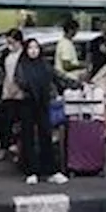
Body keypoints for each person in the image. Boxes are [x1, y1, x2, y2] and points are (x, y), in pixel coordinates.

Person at [14, 38, 69, 186]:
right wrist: (31, 89)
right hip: (27, 104)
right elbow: (20, 81)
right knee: (28, 137)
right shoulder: (22, 66)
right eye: (30, 48)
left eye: (36, 48)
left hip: (43, 104)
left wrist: (76, 84)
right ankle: (31, 171)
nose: (33, 51)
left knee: (46, 135)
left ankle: (51, 170)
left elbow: (58, 76)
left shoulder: (44, 65)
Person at [0, 28, 24, 162]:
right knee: (5, 122)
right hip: (6, 93)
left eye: (12, 42)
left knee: (20, 124)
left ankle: (19, 150)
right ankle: (4, 147)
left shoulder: (24, 55)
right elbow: (0, 71)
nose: (10, 46)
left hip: (21, 94)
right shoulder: (6, 54)